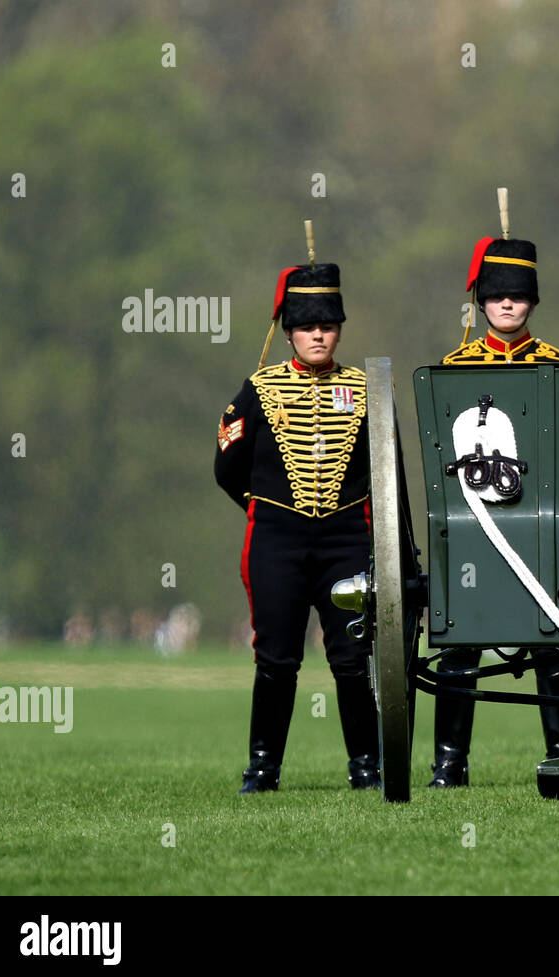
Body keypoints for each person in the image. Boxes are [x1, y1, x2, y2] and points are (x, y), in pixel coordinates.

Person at [214, 255, 380, 793]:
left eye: (327, 326)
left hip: (347, 538)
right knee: (277, 658)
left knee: (353, 659)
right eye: (307, 325)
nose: (317, 335)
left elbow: (387, 477)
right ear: (288, 331)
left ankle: (367, 767)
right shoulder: (258, 391)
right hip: (277, 540)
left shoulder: (367, 390)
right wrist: (268, 511)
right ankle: (262, 768)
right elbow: (227, 466)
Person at [430, 233, 559, 787]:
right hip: (476, 524)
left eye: (517, 295)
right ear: (482, 302)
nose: (508, 304)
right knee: (461, 642)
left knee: (555, 641)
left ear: (533, 301)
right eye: (497, 295)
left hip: (539, 524)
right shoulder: (454, 367)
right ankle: (450, 763)